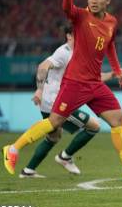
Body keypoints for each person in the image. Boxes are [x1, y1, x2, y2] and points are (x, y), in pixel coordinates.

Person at [2, 0, 122, 181]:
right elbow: (65, 7)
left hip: (94, 84)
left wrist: (117, 69)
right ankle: (13, 149)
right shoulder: (80, 16)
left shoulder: (111, 22)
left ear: (107, 0)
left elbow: (110, 45)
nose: (94, 0)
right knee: (54, 123)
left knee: (118, 120)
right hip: (74, 83)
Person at [20, 24, 113, 178]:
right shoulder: (64, 52)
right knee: (94, 126)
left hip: (54, 101)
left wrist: (111, 74)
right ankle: (65, 157)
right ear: (69, 36)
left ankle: (28, 171)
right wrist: (39, 89)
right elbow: (43, 66)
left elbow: (92, 78)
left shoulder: (79, 53)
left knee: (53, 137)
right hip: (58, 102)